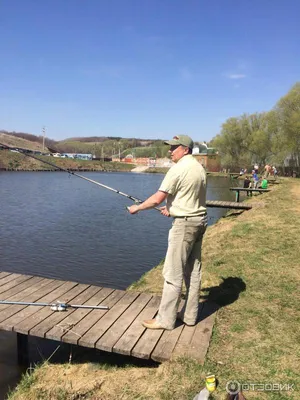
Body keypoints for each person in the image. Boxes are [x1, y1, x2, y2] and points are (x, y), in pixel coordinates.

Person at [128, 135, 207, 330]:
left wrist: (137, 208)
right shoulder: (199, 168)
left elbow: (156, 199)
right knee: (193, 271)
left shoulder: (177, 169)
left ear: (185, 149)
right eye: (170, 147)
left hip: (185, 225)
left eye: (174, 148)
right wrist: (172, 208)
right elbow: (190, 197)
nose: (170, 151)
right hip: (199, 221)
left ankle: (165, 319)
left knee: (173, 273)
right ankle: (189, 316)